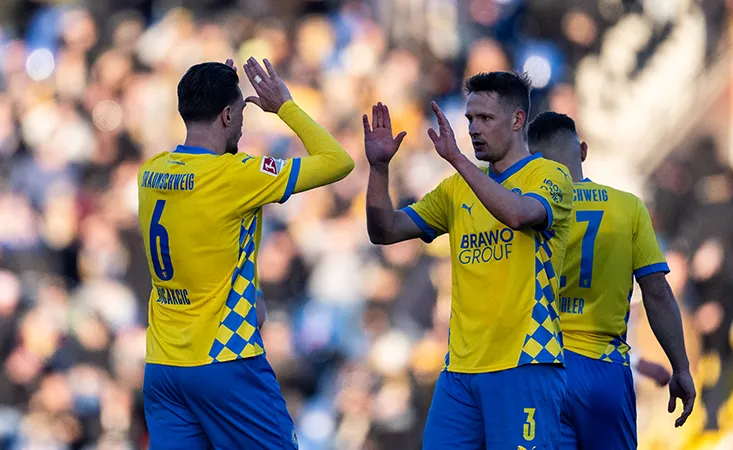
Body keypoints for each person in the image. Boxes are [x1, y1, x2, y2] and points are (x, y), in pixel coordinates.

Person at [137, 57, 354, 449]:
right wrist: (284, 106)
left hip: (163, 366)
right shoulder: (238, 177)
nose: (243, 123)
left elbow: (208, 234)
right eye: (239, 114)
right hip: (225, 359)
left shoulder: (150, 172)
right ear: (225, 115)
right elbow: (338, 162)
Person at [364, 71, 573, 449]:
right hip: (460, 371)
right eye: (470, 119)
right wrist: (379, 170)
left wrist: (457, 159)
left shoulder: (550, 175)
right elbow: (385, 230)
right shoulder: (455, 189)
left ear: (517, 120)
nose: (474, 128)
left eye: (486, 119)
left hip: (525, 362)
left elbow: (518, 214)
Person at [527, 111, 696, 449]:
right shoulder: (629, 208)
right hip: (604, 372)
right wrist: (681, 367)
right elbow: (658, 293)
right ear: (583, 151)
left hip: (540, 366)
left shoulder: (523, 214)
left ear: (533, 164)